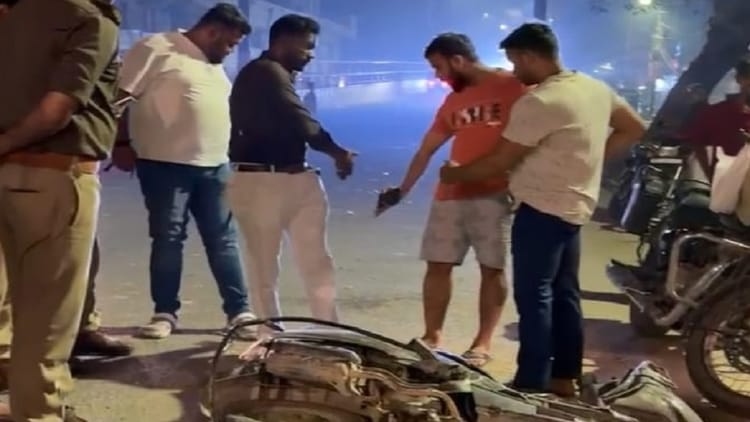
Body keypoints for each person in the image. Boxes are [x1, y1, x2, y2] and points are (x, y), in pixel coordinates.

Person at [440, 23, 646, 396]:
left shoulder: (541, 102)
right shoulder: (593, 88)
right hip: (575, 206)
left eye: (515, 62)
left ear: (530, 56)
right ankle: (565, 377)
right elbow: (634, 127)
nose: (515, 71)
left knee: (535, 297)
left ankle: (531, 382)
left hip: (540, 208)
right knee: (565, 293)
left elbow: (499, 161)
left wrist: (454, 174)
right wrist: (590, 163)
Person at [0, 0, 122, 419]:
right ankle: (39, 412)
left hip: (7, 178)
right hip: (55, 177)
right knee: (47, 319)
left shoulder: (12, 16)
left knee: (12, 304)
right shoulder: (90, 19)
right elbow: (57, 109)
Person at [377, 33, 526, 367]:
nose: (438, 76)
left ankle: (482, 343)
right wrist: (402, 190)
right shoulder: (453, 101)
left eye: (439, 67)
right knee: (437, 265)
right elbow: (426, 149)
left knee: (492, 268)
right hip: (450, 195)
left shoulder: (514, 87)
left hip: (496, 193)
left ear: (458, 60)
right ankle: (432, 336)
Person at [112, 3, 256, 339]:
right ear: (212, 31)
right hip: (164, 165)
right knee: (168, 238)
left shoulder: (213, 65)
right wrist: (120, 142)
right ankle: (165, 313)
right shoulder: (156, 47)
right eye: (229, 43)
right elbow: (119, 98)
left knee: (224, 240)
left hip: (215, 166)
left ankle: (239, 312)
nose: (230, 50)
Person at [227, 14, 356, 328]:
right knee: (265, 265)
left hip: (297, 178)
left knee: (316, 262)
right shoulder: (265, 72)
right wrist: (337, 152)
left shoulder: (280, 74)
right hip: (261, 181)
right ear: (282, 42)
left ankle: (327, 328)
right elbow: (301, 120)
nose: (311, 54)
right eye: (306, 47)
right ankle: (270, 333)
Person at [680, 57, 750, 180]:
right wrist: (710, 174)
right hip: (727, 181)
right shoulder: (717, 113)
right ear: (739, 79)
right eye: (747, 77)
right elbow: (697, 143)